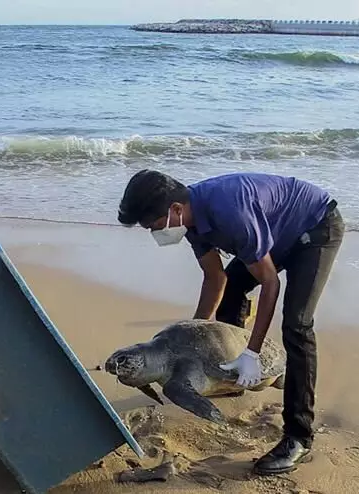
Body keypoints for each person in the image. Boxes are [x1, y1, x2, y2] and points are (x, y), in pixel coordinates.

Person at [117, 169, 345, 475]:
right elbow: (216, 278)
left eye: (155, 226)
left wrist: (251, 353)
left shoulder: (229, 212)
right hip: (274, 233)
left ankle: (298, 438)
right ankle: (232, 377)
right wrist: (189, 336)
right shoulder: (191, 220)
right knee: (233, 290)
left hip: (314, 227)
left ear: (174, 209)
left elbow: (270, 283)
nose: (154, 233)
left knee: (297, 325)